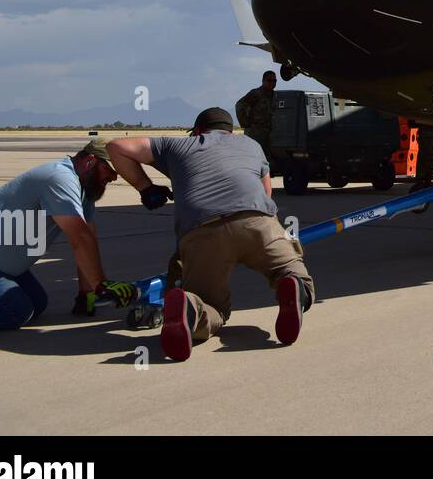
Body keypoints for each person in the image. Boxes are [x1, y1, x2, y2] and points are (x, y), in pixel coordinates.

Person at [107, 107, 315, 361]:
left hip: (202, 231)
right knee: (293, 274)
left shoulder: (176, 146)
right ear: (230, 130)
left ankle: (190, 311)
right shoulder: (251, 145)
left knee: (212, 306)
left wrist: (146, 187)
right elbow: (267, 193)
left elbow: (116, 147)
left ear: (197, 131)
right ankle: (290, 287)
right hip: (259, 223)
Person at [0, 141, 138, 330]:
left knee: (38, 303)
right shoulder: (58, 178)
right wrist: (101, 284)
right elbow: (79, 238)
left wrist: (86, 293)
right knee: (17, 311)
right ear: (90, 161)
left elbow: (88, 238)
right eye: (111, 170)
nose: (114, 177)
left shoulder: (84, 191)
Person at [235, 70, 277, 158]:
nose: (272, 83)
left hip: (268, 134)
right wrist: (245, 123)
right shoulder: (256, 94)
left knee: (266, 159)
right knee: (253, 157)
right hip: (255, 133)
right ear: (263, 81)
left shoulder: (275, 96)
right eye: (269, 80)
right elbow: (240, 106)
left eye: (274, 81)